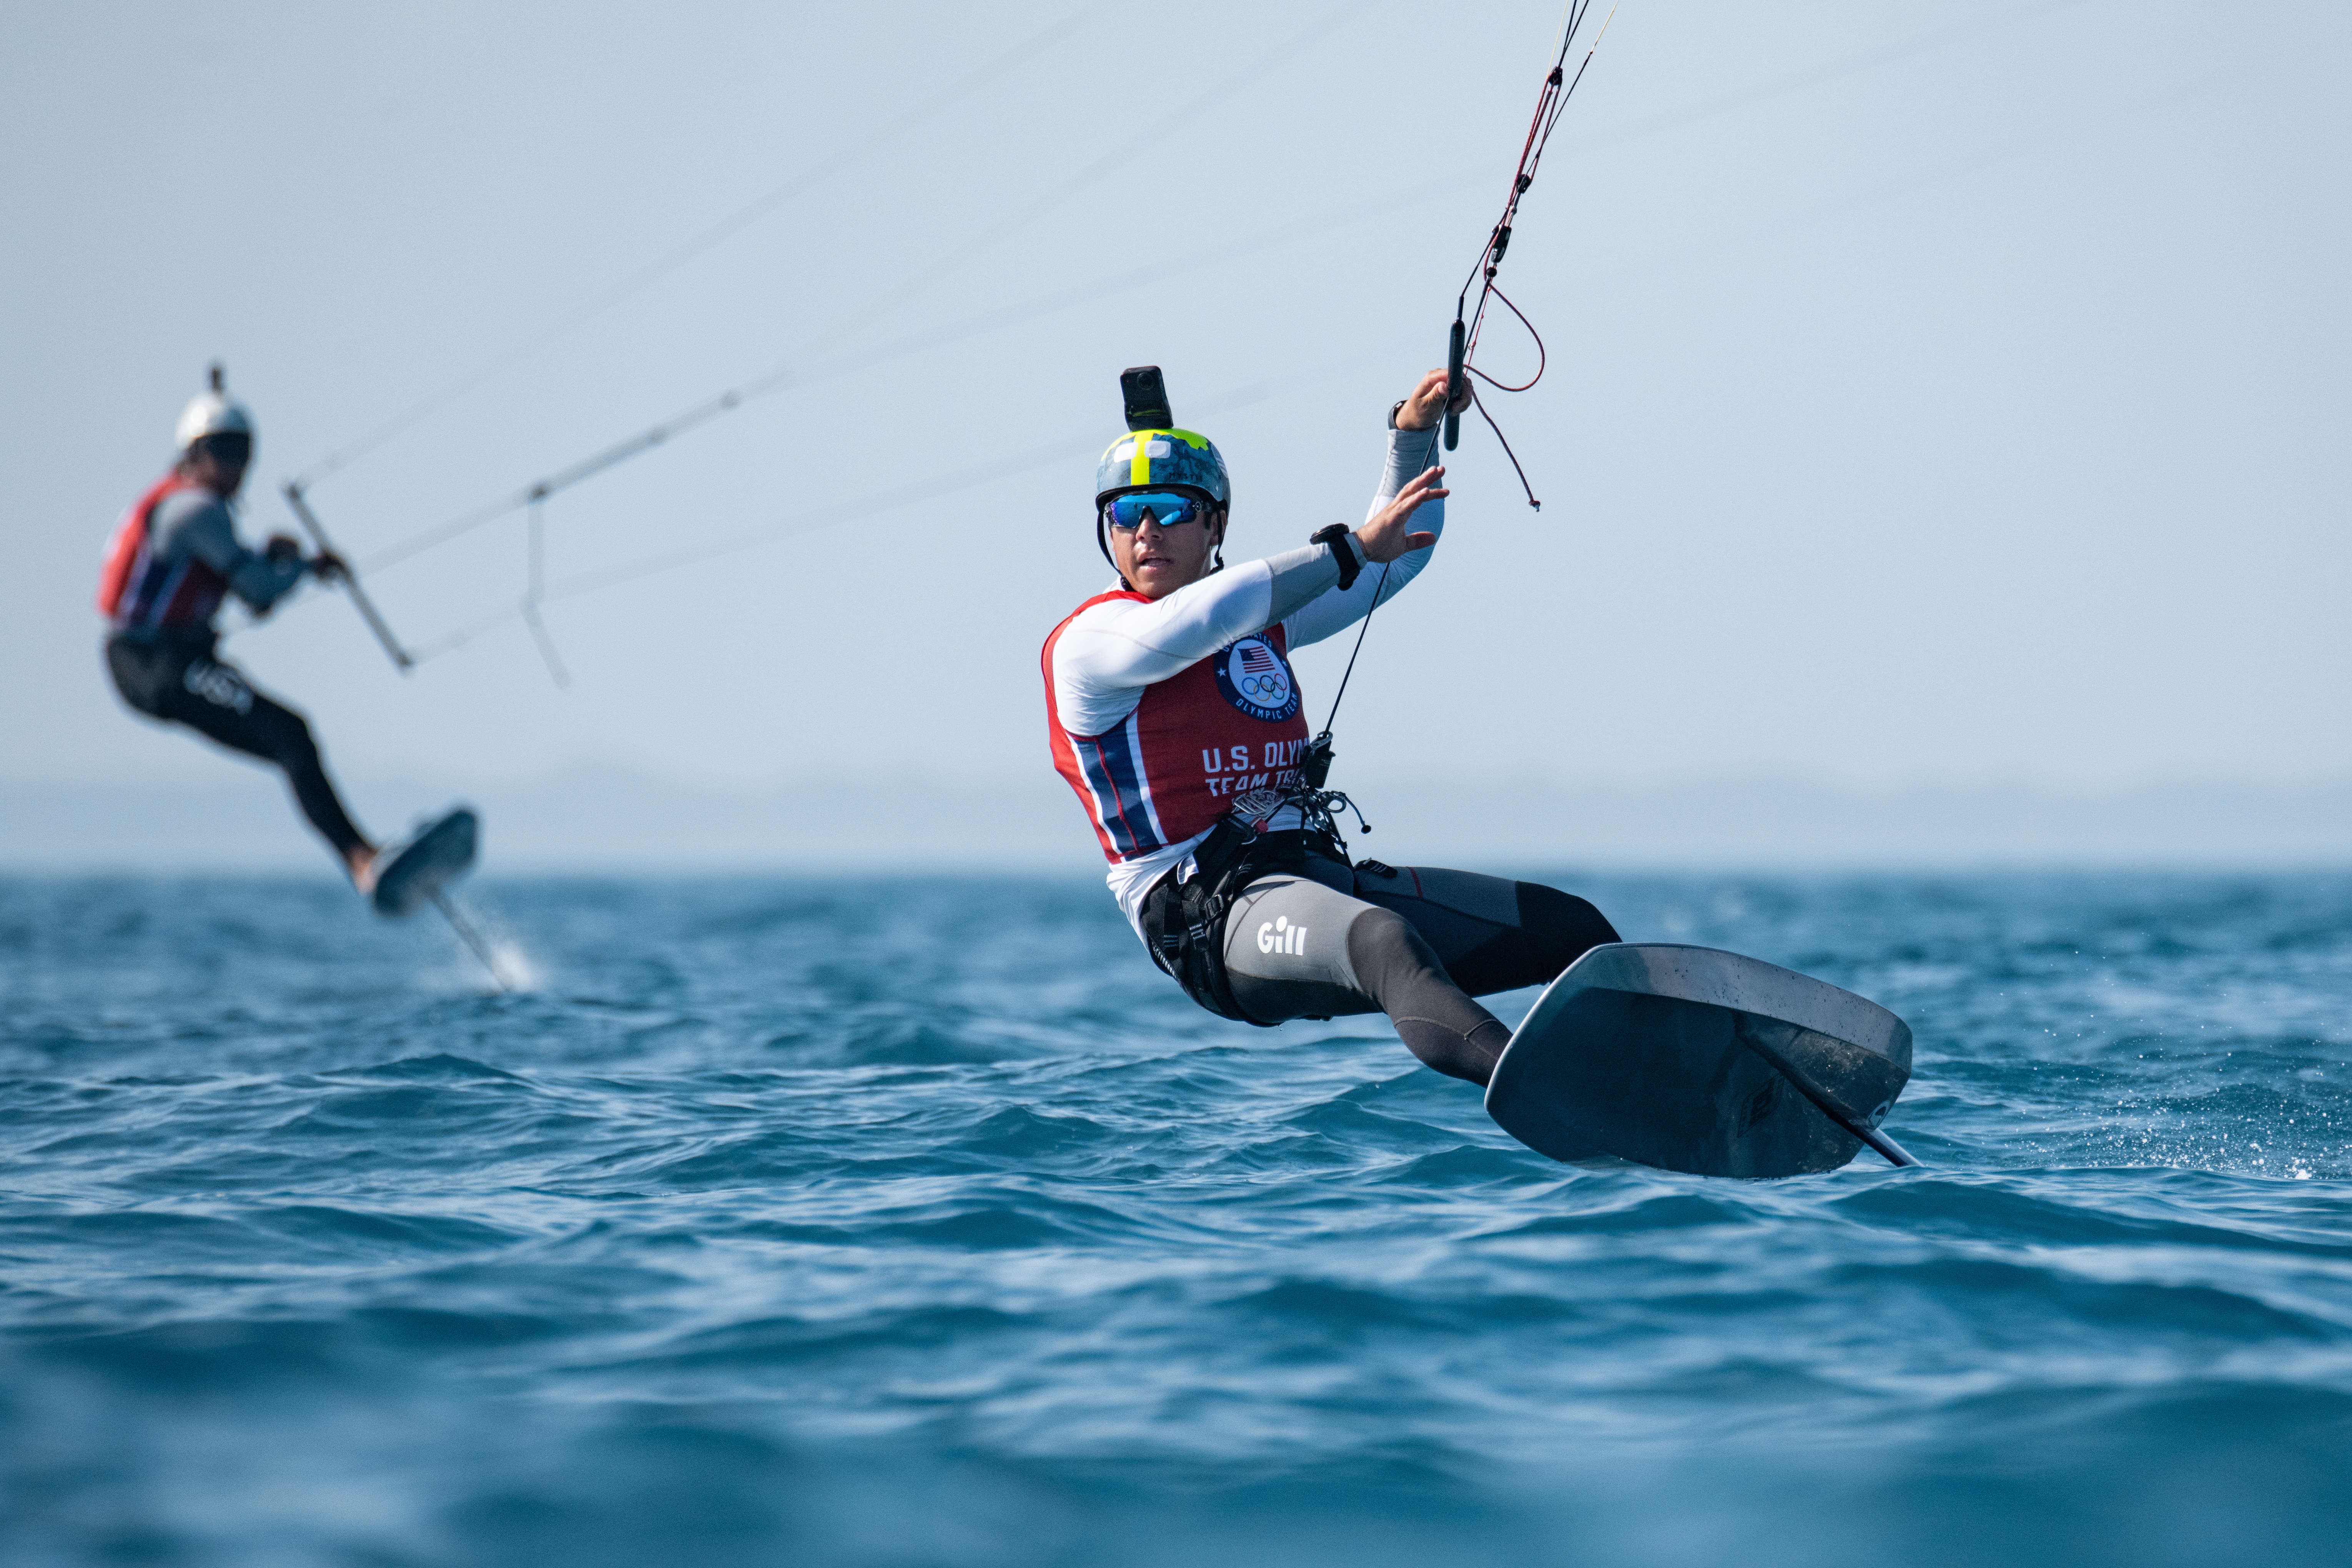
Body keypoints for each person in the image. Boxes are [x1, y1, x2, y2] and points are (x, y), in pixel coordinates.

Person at [1041, 367, 1621, 1087]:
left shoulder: (1261, 621)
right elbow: (1196, 620)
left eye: (1168, 508)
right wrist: (1347, 550)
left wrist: (1410, 437)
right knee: (1385, 944)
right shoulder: (1091, 644)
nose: (1146, 531)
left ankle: (1665, 1077)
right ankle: (1563, 1093)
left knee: (1569, 930)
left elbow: (1397, 558)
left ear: (1215, 524)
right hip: (1208, 921)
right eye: (1125, 515)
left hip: (1311, 873)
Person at [98, 366, 382, 889]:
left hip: (177, 661)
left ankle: (362, 857)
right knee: (289, 737)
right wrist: (299, 569)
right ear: (193, 453)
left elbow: (246, 584)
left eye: (241, 451)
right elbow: (259, 594)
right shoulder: (193, 509)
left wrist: (292, 565)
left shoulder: (204, 512)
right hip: (153, 665)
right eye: (221, 450)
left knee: (290, 738)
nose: (232, 464)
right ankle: (361, 860)